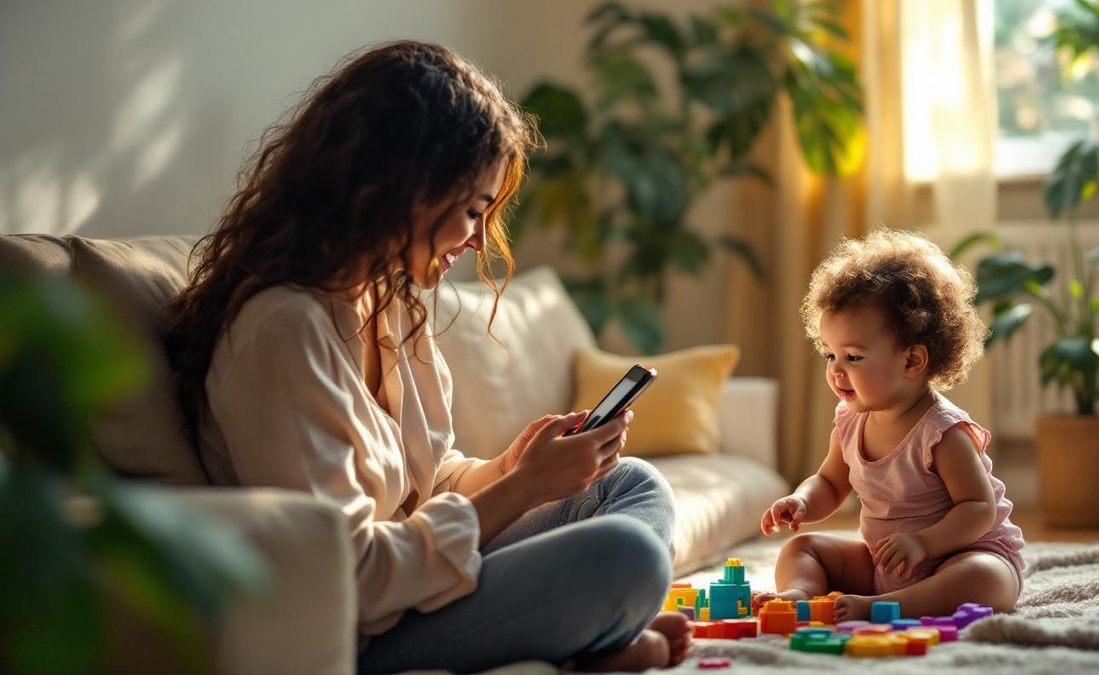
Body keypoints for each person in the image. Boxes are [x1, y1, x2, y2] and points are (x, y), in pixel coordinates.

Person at [168, 40, 690, 673]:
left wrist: (509, 467)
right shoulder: (282, 332)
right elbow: (348, 578)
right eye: (472, 210)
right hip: (359, 631)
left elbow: (428, 482)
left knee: (631, 484)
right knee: (622, 559)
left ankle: (591, 633)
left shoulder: (386, 303)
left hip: (422, 585)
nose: (477, 241)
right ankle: (592, 632)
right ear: (400, 184)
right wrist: (525, 488)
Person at [752, 229, 1024, 622]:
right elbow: (830, 482)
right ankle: (803, 595)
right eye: (830, 354)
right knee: (802, 549)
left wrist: (923, 543)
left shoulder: (943, 432)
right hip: (888, 563)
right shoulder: (849, 420)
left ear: (912, 361)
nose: (836, 371)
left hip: (958, 555)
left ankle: (886, 608)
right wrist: (802, 501)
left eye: (854, 357)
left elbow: (978, 509)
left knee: (984, 578)